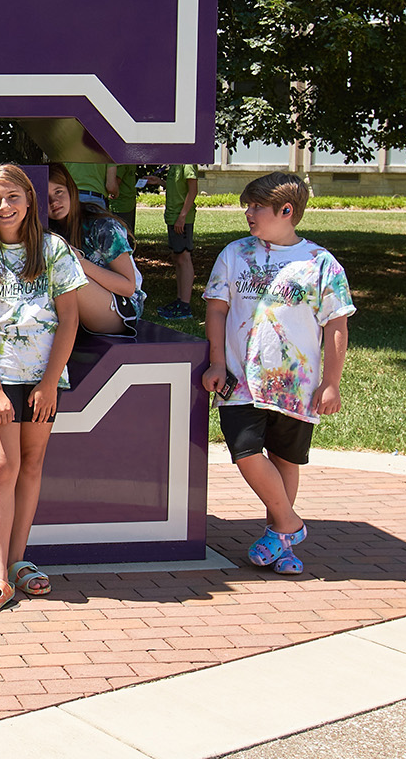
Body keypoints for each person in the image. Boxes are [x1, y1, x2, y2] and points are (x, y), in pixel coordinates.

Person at [202, 173, 354, 576]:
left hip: (294, 386)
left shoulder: (319, 264)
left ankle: (281, 541)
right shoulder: (234, 254)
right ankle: (291, 522)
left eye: (257, 206)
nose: (248, 213)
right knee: (246, 452)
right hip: (239, 380)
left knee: (285, 459)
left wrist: (332, 382)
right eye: (247, 205)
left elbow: (336, 325)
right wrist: (217, 361)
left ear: (287, 211)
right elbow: (216, 309)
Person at [0, 164, 87, 615]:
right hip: (1, 381)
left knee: (30, 466)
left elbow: (70, 319)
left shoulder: (53, 252)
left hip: (44, 382)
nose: (4, 206)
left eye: (12, 196)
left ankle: (17, 561)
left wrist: (50, 381)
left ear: (28, 200)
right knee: (0, 469)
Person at [47, 164, 144, 335]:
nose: (53, 202)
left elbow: (128, 286)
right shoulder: (47, 229)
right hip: (80, 308)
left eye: (58, 192)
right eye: (45, 197)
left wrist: (78, 261)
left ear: (71, 190)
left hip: (121, 308)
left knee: (65, 267)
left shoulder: (102, 225)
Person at [157, 163, 200, 320]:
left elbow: (192, 190)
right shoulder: (175, 164)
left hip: (181, 219)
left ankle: (185, 306)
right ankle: (180, 300)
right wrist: (160, 182)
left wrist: (182, 216)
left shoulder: (187, 164)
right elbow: (177, 187)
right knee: (178, 257)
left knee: (184, 257)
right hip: (173, 216)